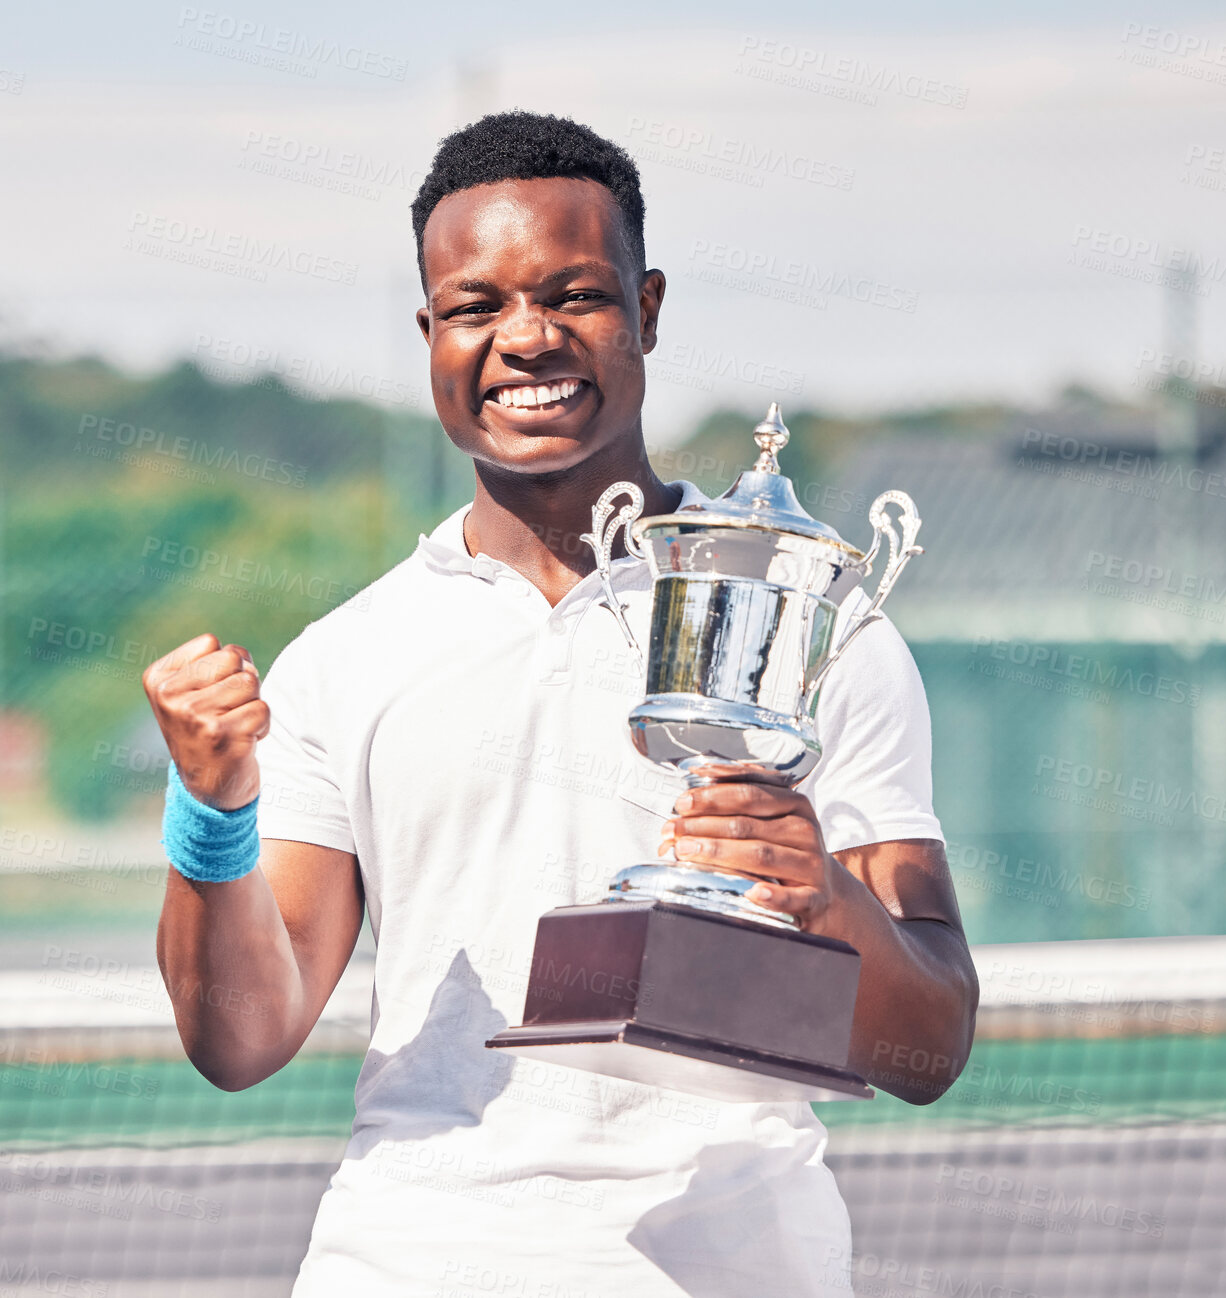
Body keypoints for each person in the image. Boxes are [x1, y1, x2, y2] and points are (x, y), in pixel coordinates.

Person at [143, 110, 977, 1297]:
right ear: (431, 333)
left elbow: (929, 1046)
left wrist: (828, 895)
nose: (526, 339)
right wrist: (211, 809)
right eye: (476, 307)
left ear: (648, 308)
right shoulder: (342, 658)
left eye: (573, 295)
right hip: (405, 1263)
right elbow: (239, 1038)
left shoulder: (811, 625)